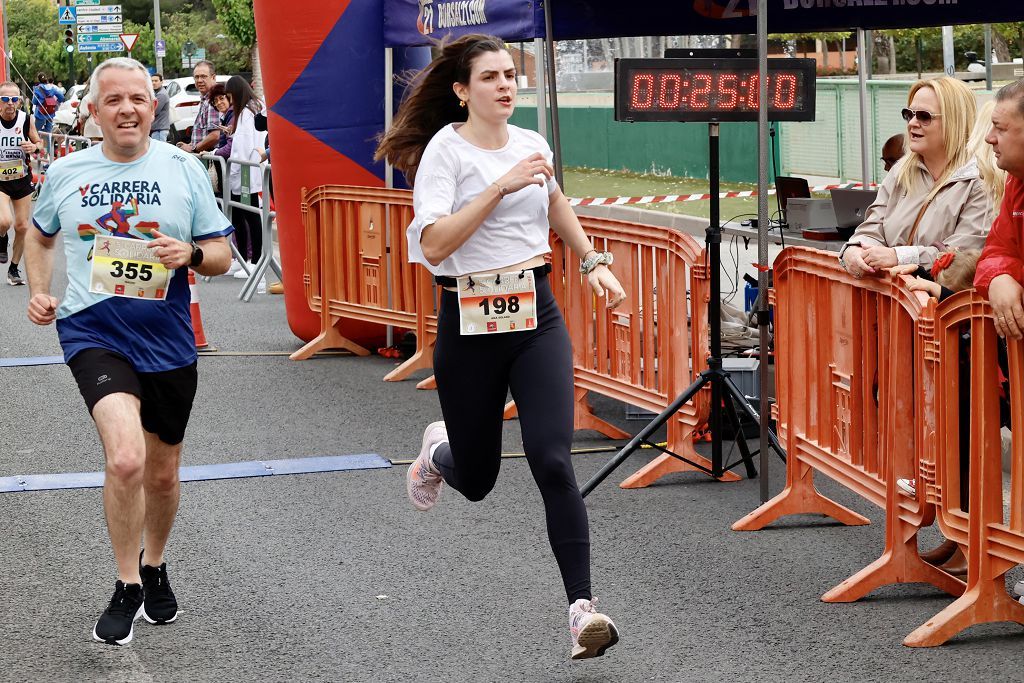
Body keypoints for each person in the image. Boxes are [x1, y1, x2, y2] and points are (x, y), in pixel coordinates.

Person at [375, 34, 627, 661]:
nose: (506, 86)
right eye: (490, 77)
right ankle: (439, 453)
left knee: (552, 458)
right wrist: (498, 186)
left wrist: (592, 259)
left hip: (534, 314)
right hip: (467, 321)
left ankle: (582, 612)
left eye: (512, 74)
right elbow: (434, 245)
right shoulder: (445, 153)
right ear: (462, 91)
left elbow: (556, 202)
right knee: (480, 478)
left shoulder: (533, 144)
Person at [24, 57, 233, 646]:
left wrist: (188, 256)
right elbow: (37, 236)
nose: (127, 109)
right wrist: (41, 290)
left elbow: (219, 253)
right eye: (113, 100)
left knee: (163, 474)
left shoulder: (184, 168)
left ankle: (155, 563)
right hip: (93, 329)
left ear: (153, 105)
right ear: (92, 112)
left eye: (137, 98)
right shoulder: (66, 172)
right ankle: (126, 584)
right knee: (125, 459)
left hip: (167, 335)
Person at [840, 77, 993, 279]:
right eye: (908, 114)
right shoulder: (900, 171)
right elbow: (873, 227)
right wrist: (854, 249)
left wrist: (899, 256)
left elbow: (962, 255)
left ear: (954, 120)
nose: (912, 123)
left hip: (943, 305)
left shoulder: (979, 179)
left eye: (924, 116)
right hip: (893, 303)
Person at [224, 75, 266, 290]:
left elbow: (247, 144)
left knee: (248, 214)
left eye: (230, 95)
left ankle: (255, 260)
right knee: (239, 214)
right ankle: (243, 259)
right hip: (244, 169)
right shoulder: (251, 109)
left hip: (247, 171)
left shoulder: (248, 112)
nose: (229, 100)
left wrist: (237, 165)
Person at [0, 81, 42, 285]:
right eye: (5, 99)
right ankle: (1, 238)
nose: (10, 103)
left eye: (14, 99)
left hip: (21, 179)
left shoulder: (26, 119)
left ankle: (14, 269)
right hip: (0, 181)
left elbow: (39, 142)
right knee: (4, 221)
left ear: (19, 101)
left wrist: (33, 147)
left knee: (23, 226)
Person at [176, 60, 220, 154]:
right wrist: (191, 145)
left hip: (213, 158)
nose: (199, 80)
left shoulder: (215, 100)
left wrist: (193, 149)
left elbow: (215, 135)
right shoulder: (205, 99)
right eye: (196, 77)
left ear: (213, 77)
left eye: (203, 76)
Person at [150, 73, 170, 142]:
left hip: (160, 130)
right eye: (152, 81)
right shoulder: (156, 93)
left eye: (156, 81)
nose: (153, 83)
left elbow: (154, 111)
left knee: (159, 151)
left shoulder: (161, 94)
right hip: (158, 128)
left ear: (161, 82)